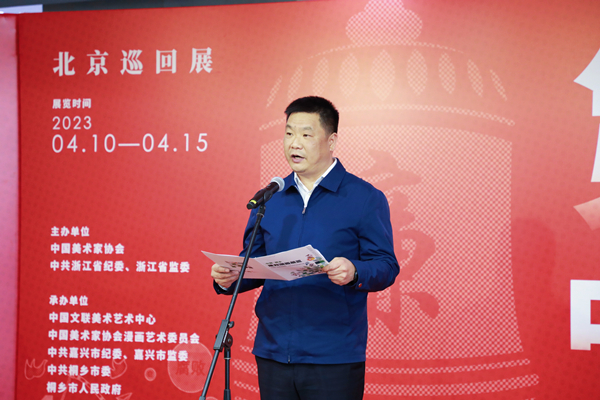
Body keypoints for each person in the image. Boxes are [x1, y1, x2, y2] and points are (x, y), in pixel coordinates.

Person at [211, 96, 399, 400]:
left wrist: (354, 271)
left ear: (331, 141)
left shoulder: (364, 197)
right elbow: (255, 263)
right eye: (288, 133)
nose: (294, 143)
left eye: (306, 135)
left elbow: (386, 266)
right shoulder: (269, 198)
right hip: (273, 351)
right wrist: (229, 277)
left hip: (333, 355)